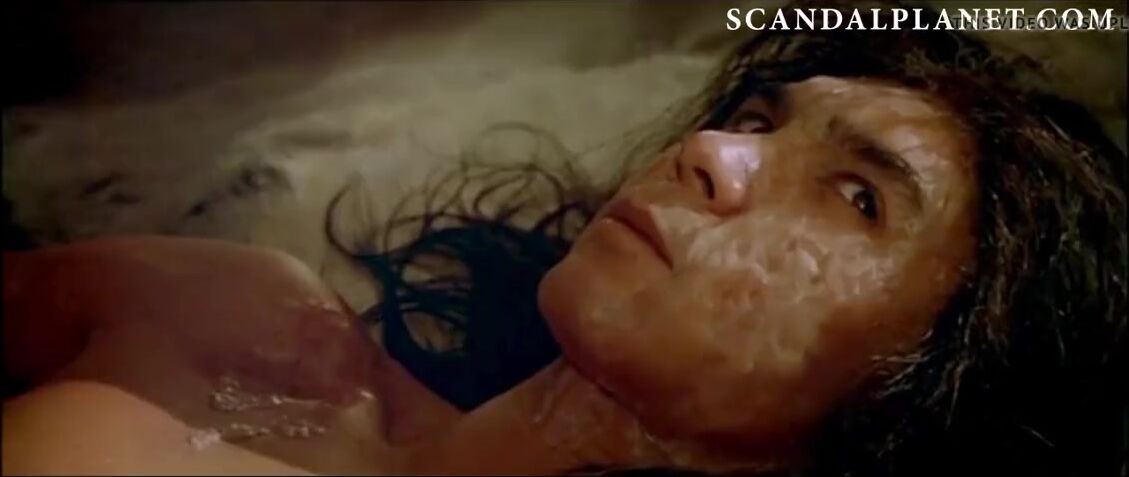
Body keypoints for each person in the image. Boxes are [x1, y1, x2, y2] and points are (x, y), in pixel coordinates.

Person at [3, 2, 1125, 476]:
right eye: (753, 120)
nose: (713, 155)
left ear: (929, 397)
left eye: (857, 198)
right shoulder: (231, 315)